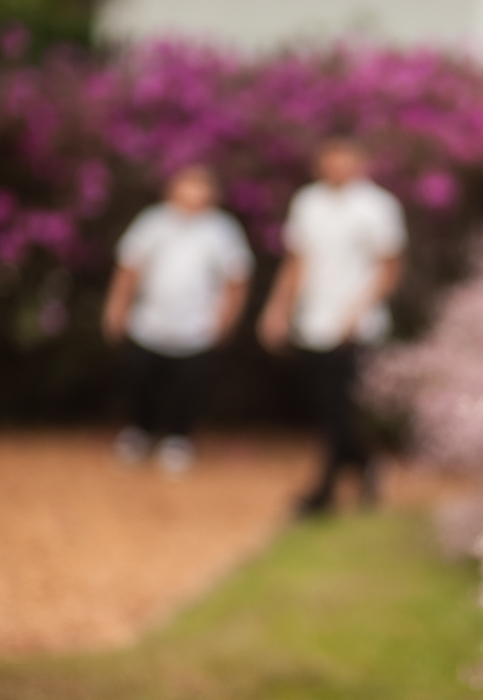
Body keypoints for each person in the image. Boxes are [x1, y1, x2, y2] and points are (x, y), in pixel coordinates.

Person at [258, 137, 407, 514]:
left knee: (337, 408)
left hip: (355, 324)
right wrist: (278, 308)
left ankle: (323, 491)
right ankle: (366, 464)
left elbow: (390, 267)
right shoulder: (307, 203)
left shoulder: (377, 207)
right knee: (328, 408)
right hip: (314, 319)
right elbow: (297, 261)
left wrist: (358, 310)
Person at [102, 164, 253, 474]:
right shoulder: (152, 222)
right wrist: (117, 307)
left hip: (196, 326)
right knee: (139, 378)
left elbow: (237, 279)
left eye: (200, 187)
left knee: (188, 386)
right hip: (150, 322)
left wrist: (226, 318)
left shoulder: (222, 230)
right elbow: (129, 267)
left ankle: (178, 439)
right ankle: (138, 432)